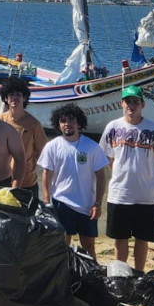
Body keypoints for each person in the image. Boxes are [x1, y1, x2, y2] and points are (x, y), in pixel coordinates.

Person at [99, 86, 154, 271]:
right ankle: (120, 274)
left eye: (135, 101)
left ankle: (138, 274)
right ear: (121, 104)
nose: (131, 105)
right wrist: (119, 173)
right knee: (120, 239)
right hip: (120, 193)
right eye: (128, 101)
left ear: (142, 104)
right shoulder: (112, 127)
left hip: (147, 195)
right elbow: (106, 157)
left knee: (142, 239)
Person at [39, 104, 109, 259]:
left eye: (71, 120)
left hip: (87, 206)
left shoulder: (91, 147)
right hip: (61, 203)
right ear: (58, 124)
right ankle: (65, 278)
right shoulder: (52, 146)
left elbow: (101, 176)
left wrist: (98, 203)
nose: (67, 124)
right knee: (62, 246)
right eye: (63, 120)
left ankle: (92, 278)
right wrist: (46, 202)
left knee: (89, 248)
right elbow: (46, 174)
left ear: (79, 123)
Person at [0, 77, 47, 190]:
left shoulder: (34, 124)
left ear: (24, 98)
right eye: (11, 94)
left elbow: (43, 155)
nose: (15, 98)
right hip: (3, 181)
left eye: (18, 94)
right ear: (6, 98)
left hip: (27, 183)